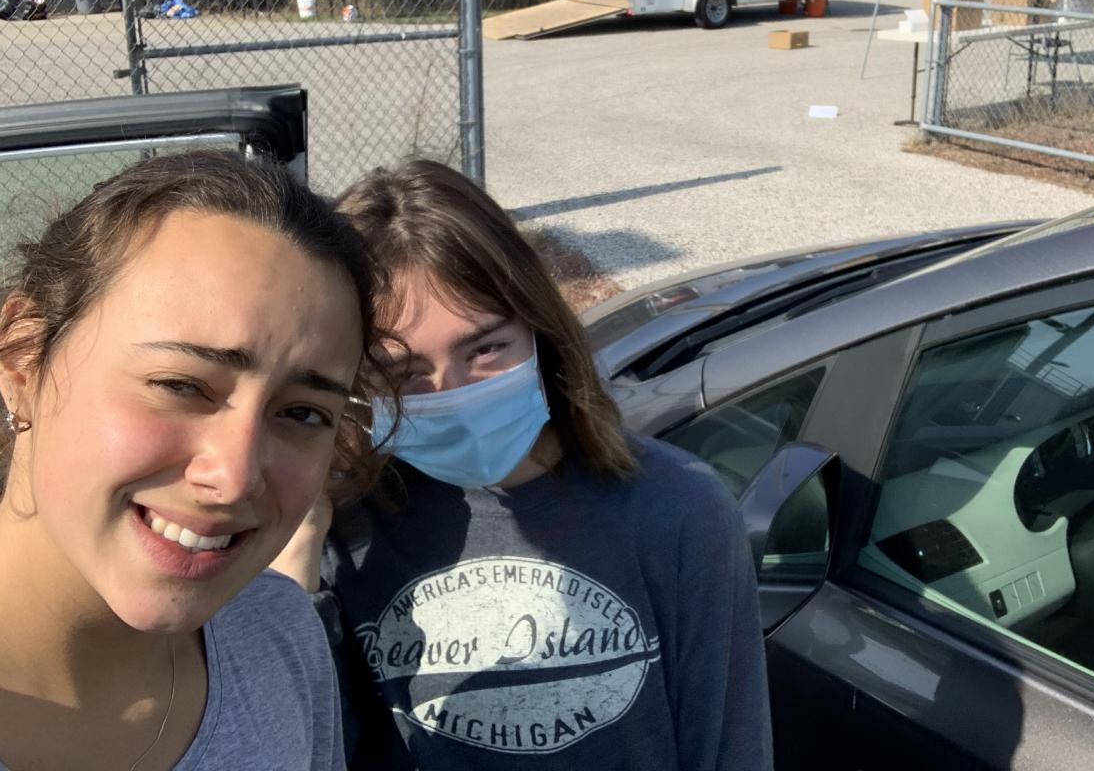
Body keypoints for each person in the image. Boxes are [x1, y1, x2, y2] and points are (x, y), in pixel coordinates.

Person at [273, 158, 773, 770]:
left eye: (485, 349)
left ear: (540, 329)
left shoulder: (677, 510)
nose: (453, 393)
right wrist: (294, 578)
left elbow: (728, 744)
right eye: (404, 373)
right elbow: (304, 747)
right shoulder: (340, 530)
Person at [0, 150, 386, 770]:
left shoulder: (278, 637)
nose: (233, 478)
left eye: (302, 413)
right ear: (23, 357)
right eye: (181, 385)